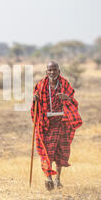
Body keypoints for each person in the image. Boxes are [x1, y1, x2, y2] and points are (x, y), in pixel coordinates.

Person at [31, 61, 82, 190]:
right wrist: (35, 99)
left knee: (60, 152)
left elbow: (73, 101)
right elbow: (35, 104)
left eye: (55, 70)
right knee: (46, 151)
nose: (52, 72)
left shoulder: (64, 84)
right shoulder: (41, 85)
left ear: (59, 71)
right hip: (46, 124)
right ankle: (48, 178)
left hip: (62, 122)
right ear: (46, 72)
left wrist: (67, 98)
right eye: (50, 70)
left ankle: (58, 179)